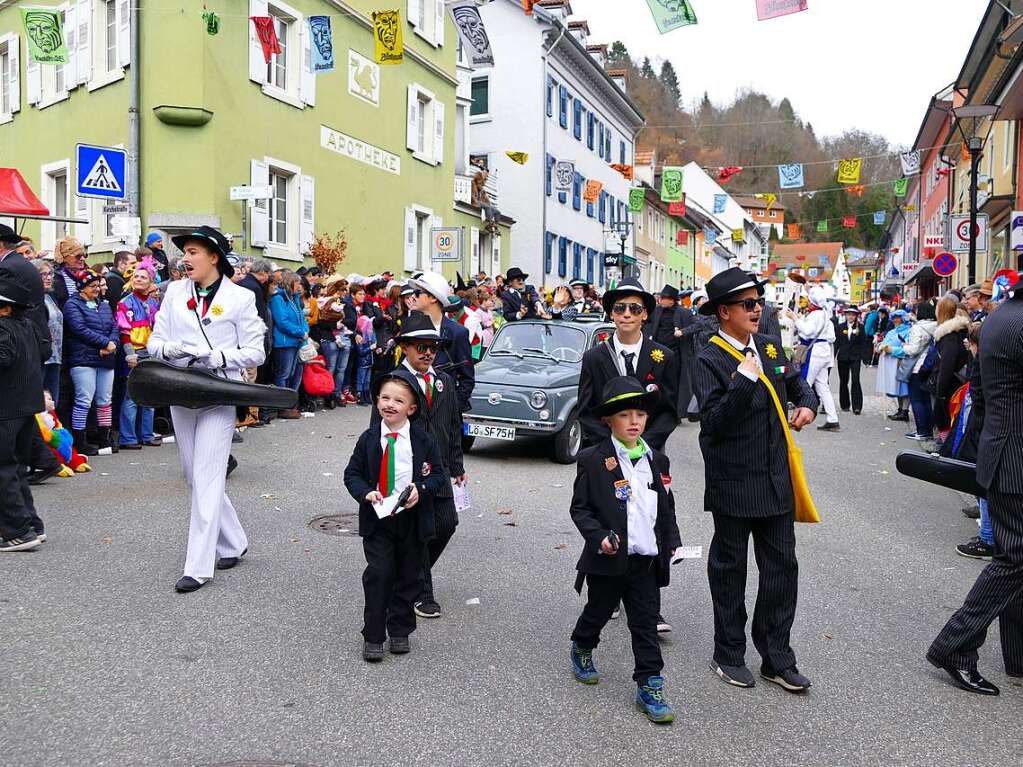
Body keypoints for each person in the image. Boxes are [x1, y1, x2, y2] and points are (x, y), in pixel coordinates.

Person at [693, 267, 818, 692]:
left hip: (775, 479)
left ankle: (776, 656)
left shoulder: (769, 346)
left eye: (758, 302)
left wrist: (807, 405)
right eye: (747, 304)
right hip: (733, 482)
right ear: (723, 312)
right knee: (730, 571)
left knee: (782, 569)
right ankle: (727, 653)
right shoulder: (708, 356)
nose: (756, 309)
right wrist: (744, 379)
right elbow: (713, 423)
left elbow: (798, 386)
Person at [146, 227, 265, 592]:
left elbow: (256, 352)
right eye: (185, 252)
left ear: (214, 256)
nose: (186, 259)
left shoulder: (240, 297)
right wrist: (171, 351)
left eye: (194, 252)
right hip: (181, 388)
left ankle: (197, 566)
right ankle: (232, 541)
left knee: (209, 474)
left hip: (218, 391)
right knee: (193, 473)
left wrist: (218, 356)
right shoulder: (175, 293)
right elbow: (155, 340)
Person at [927, 274, 1023, 696]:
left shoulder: (1003, 315)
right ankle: (955, 645)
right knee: (1016, 558)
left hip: (1005, 451)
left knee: (1013, 554)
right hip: (1015, 456)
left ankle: (1018, 656)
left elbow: (983, 395)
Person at [568, 376, 682, 723]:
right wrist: (598, 535)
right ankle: (583, 645)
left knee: (645, 624)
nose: (634, 422)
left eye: (640, 415)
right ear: (608, 421)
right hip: (608, 558)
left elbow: (665, 508)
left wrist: (672, 543)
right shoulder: (592, 459)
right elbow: (580, 509)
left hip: (644, 561)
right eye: (624, 416)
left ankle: (649, 683)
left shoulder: (657, 461)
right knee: (598, 610)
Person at [344, 374, 445, 662]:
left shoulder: (423, 439)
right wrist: (365, 493)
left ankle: (400, 628)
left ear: (411, 408)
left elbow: (438, 475)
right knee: (380, 574)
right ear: (377, 402)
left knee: (408, 576)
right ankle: (373, 634)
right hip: (378, 520)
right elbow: (352, 474)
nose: (390, 404)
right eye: (385, 398)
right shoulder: (368, 439)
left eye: (398, 400)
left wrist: (421, 489)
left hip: (412, 519)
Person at [376, 311, 466, 619]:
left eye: (433, 346)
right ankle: (420, 592)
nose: (428, 352)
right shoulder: (394, 383)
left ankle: (409, 574)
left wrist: (456, 466)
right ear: (405, 347)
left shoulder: (443, 381)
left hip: (437, 470)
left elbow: (454, 425)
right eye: (420, 346)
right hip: (405, 471)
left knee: (447, 524)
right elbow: (378, 429)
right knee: (419, 531)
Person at [578, 278, 679, 453]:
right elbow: (586, 411)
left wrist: (642, 446)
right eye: (619, 308)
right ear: (611, 313)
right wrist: (612, 446)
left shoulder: (665, 357)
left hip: (650, 450)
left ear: (644, 314)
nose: (627, 314)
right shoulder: (593, 358)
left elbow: (669, 411)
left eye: (635, 309)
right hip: (605, 452)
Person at [0, 264, 48, 551]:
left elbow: (3, 358)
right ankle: (31, 524)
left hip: (6, 408)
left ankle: (17, 531)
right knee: (15, 468)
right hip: (24, 406)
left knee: (4, 470)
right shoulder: (26, 324)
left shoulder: (3, 327)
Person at [63, 271, 118, 456]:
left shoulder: (103, 305)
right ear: (81, 287)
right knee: (84, 400)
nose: (96, 289)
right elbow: (79, 328)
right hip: (83, 358)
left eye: (98, 285)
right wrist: (104, 343)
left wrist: (112, 344)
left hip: (105, 358)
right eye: (92, 286)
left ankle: (105, 438)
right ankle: (80, 440)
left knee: (105, 400)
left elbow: (114, 327)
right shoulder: (72, 305)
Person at [409, 272, 475, 412]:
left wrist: (451, 407)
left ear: (433, 298)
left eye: (418, 292)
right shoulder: (411, 329)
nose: (413, 297)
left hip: (443, 415)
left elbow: (467, 379)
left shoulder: (458, 333)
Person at [116, 259, 161, 449]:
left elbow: (157, 329)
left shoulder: (152, 303)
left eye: (143, 277)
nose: (139, 280)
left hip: (149, 352)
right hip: (134, 353)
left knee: (149, 395)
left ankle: (146, 434)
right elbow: (124, 332)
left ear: (151, 281)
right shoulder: (125, 303)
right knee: (131, 396)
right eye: (136, 276)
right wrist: (129, 354)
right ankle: (128, 437)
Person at [790, 287, 839, 432]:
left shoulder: (815, 315)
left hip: (815, 352)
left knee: (804, 384)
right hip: (825, 352)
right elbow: (832, 337)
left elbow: (807, 332)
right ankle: (833, 419)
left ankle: (796, 419)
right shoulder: (826, 315)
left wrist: (795, 319)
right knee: (823, 387)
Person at [268, 270, 308, 419]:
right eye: (296, 283)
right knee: (283, 374)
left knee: (296, 373)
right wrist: (300, 332)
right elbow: (282, 322)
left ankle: (291, 404)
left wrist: (305, 331)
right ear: (289, 282)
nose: (299, 287)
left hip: (296, 341)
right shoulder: (278, 298)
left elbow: (301, 318)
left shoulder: (294, 298)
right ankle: (283, 406)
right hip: (285, 342)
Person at [931, 299, 970, 441]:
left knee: (945, 418)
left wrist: (940, 390)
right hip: (951, 383)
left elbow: (947, 365)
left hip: (950, 386)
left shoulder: (949, 336)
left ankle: (946, 447)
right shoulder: (951, 333)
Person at [901, 301, 938, 442]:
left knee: (916, 399)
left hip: (917, 366)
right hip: (929, 366)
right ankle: (927, 429)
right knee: (926, 400)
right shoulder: (935, 326)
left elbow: (913, 349)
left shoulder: (918, 328)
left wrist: (904, 347)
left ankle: (922, 430)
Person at [32, 259, 63, 401]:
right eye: (43, 274)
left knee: (52, 401)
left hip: (55, 356)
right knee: (41, 401)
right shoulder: (33, 299)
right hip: (41, 358)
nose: (48, 277)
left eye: (50, 273)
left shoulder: (50, 298)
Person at [877, 309, 911, 420]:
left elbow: (907, 348)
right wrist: (880, 347)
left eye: (898, 317)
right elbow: (884, 343)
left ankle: (905, 411)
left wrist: (892, 350)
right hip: (891, 364)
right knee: (896, 387)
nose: (896, 320)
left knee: (904, 388)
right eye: (894, 317)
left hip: (902, 362)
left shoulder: (909, 331)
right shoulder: (892, 332)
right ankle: (900, 409)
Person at [833, 306, 867, 415]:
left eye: (853, 315)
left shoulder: (860, 327)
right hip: (843, 357)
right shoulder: (839, 327)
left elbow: (863, 343)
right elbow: (836, 343)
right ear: (845, 315)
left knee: (855, 380)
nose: (850, 316)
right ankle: (845, 404)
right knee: (843, 381)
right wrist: (832, 356)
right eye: (848, 314)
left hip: (855, 357)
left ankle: (857, 406)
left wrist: (864, 358)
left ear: (856, 316)